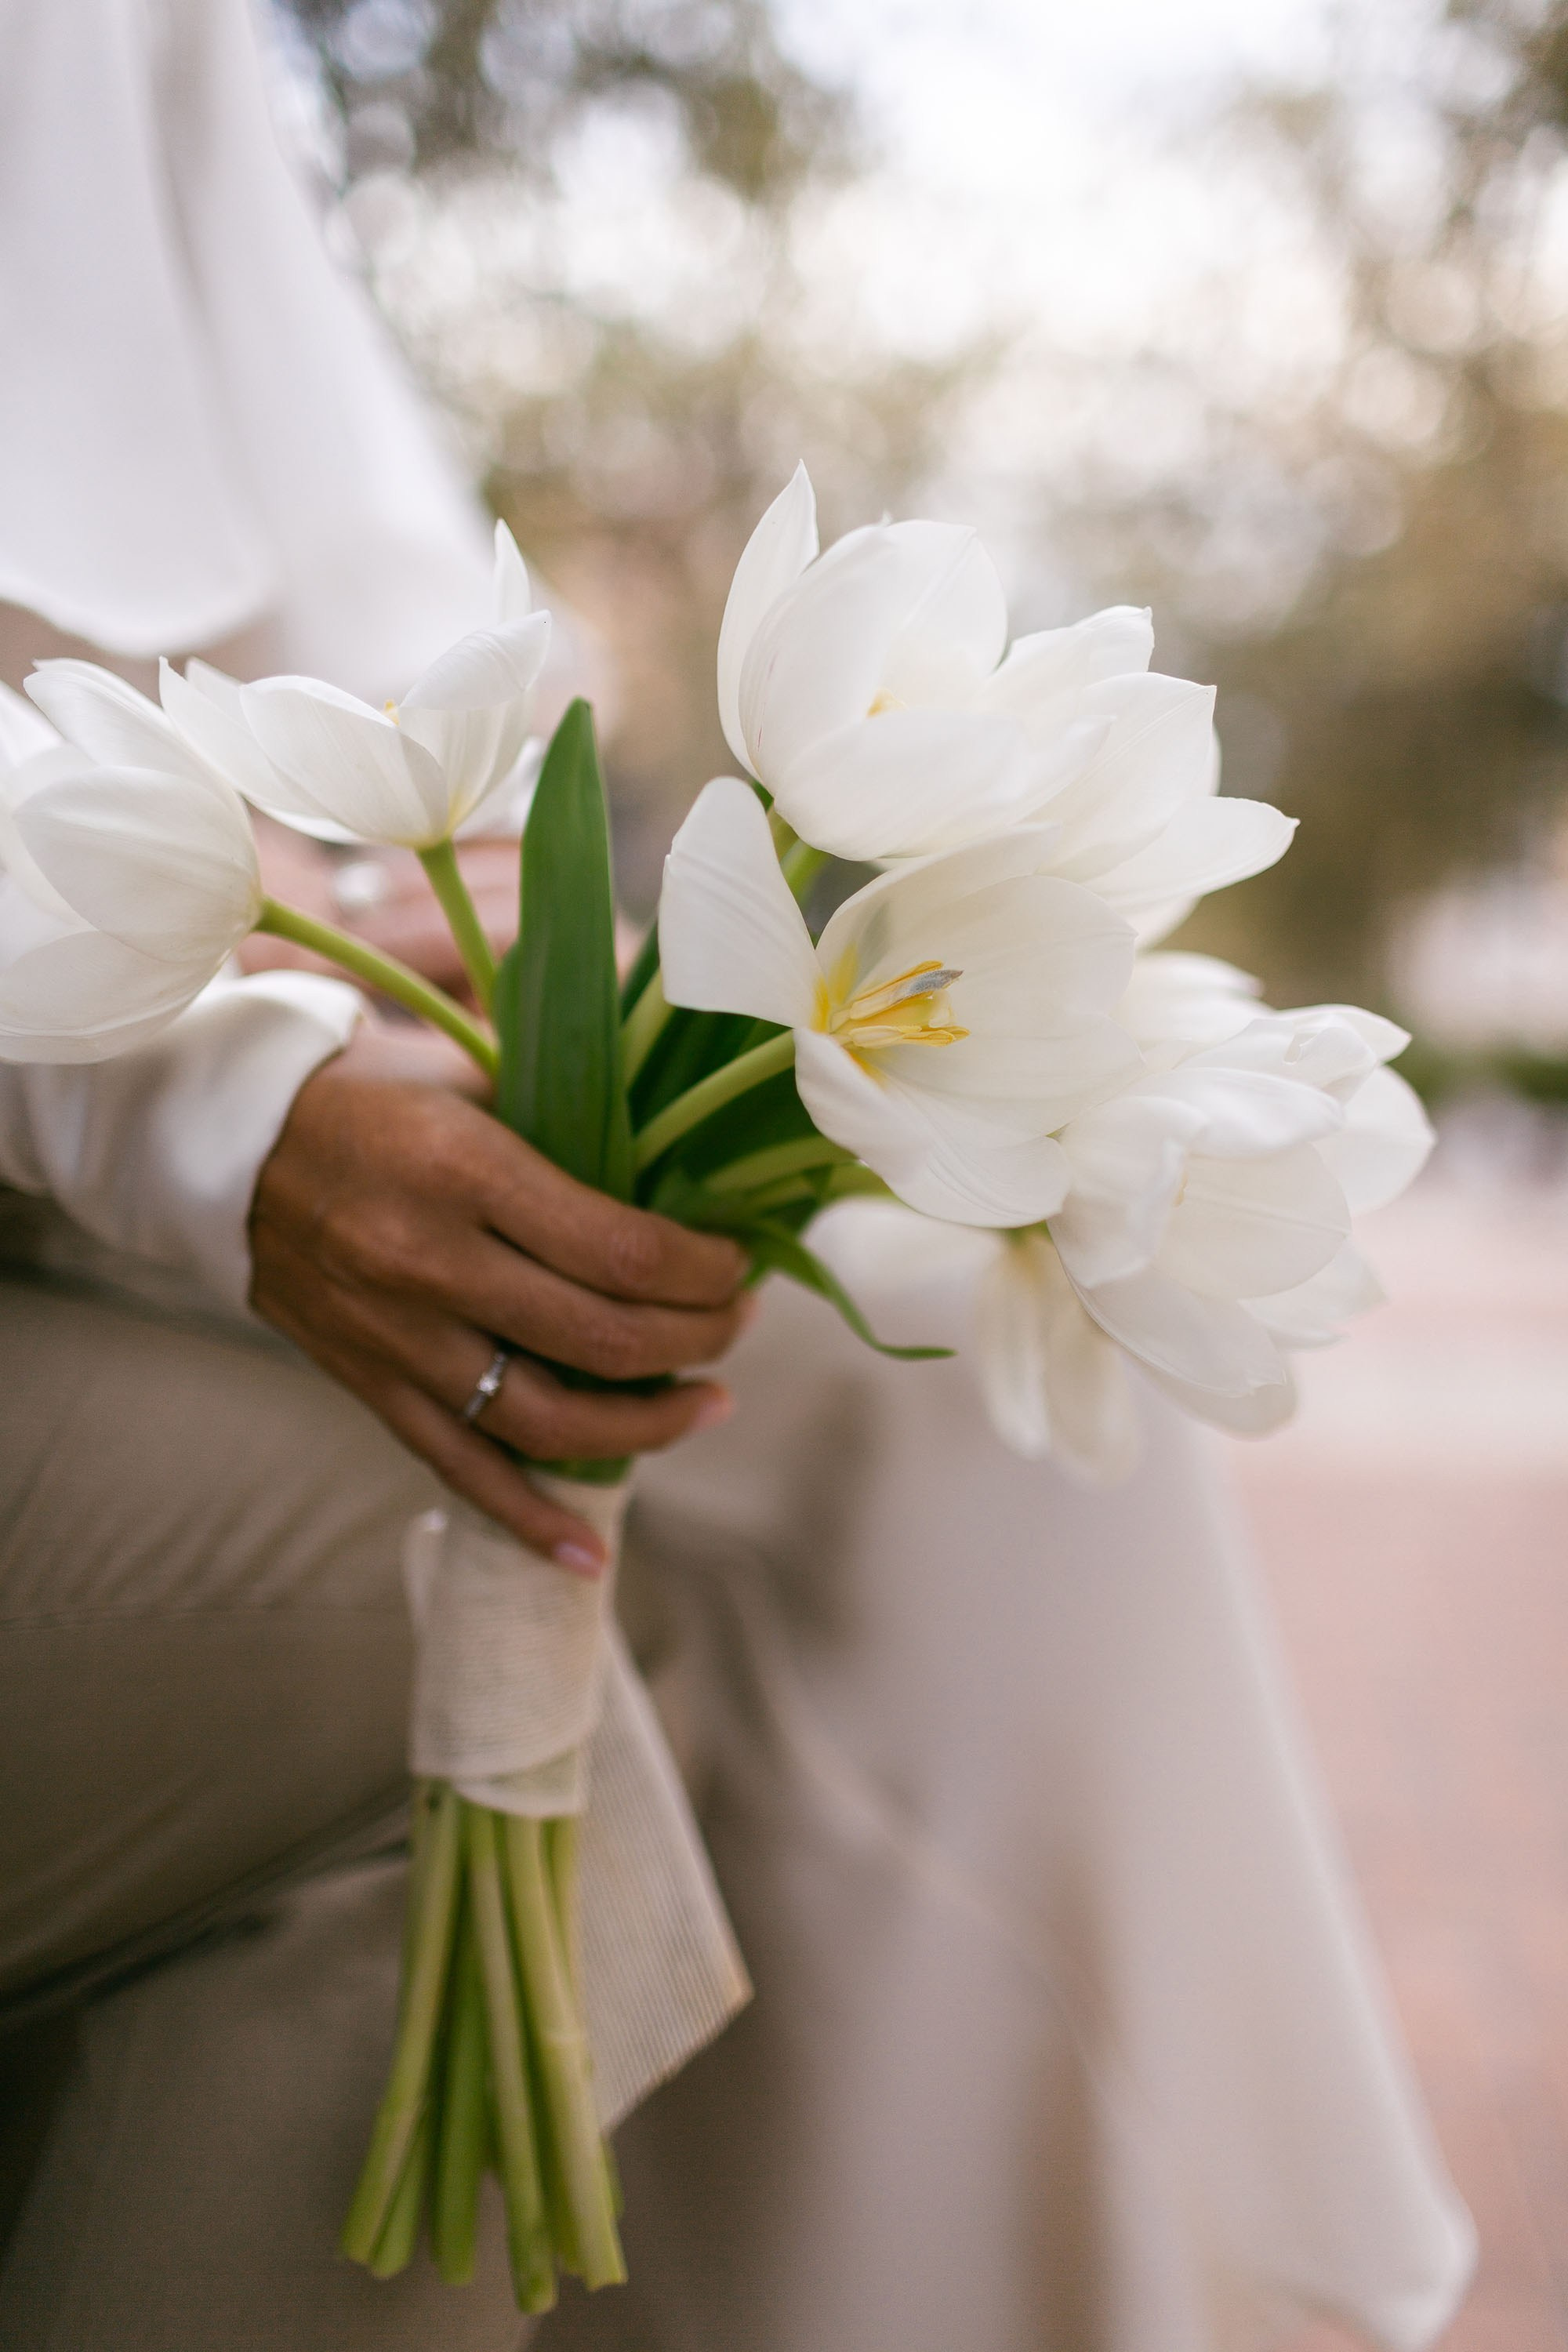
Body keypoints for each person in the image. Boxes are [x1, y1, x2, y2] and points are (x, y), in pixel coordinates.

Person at [0, 3, 1477, 2347]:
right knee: (474, 1608)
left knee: (963, 1405)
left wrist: (455, 901)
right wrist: (204, 1095)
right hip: (100, 1074)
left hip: (220, 1005)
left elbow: (395, 642)